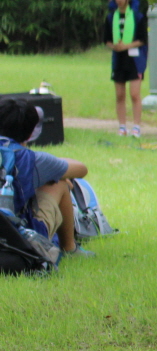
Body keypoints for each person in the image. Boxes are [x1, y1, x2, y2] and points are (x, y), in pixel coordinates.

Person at [0, 98, 92, 257]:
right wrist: (54, 170)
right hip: (15, 237)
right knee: (61, 183)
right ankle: (70, 248)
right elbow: (81, 169)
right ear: (30, 134)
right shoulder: (32, 159)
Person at [103, 0, 147, 138]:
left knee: (135, 94)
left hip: (134, 60)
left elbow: (142, 39)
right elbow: (106, 39)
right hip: (118, 59)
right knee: (120, 95)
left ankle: (136, 126)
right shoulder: (111, 17)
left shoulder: (137, 16)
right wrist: (115, 47)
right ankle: (122, 126)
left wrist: (126, 46)